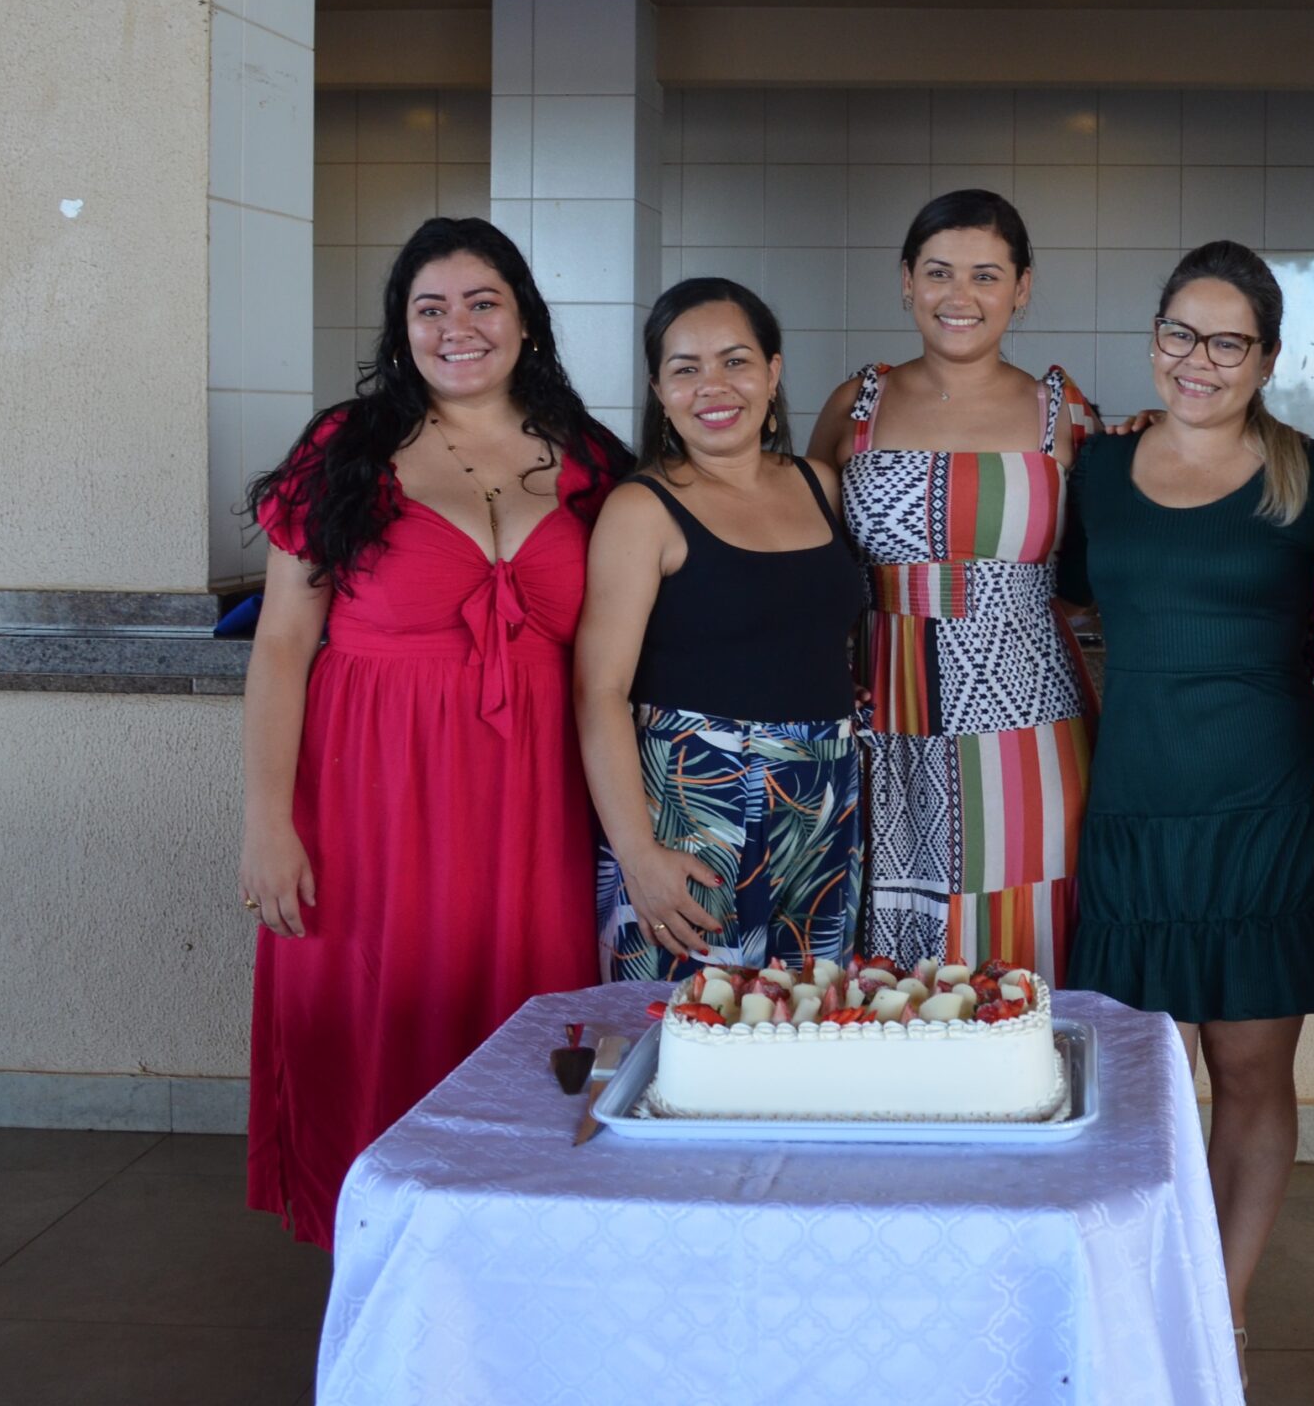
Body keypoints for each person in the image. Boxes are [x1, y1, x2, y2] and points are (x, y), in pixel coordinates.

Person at [238, 215, 631, 1247]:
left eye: (482, 302)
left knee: (525, 1016)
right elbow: (281, 644)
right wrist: (267, 820)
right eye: (431, 308)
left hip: (534, 802)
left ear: (525, 320)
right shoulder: (345, 450)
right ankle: (380, 1260)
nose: (458, 327)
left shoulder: (590, 462)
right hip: (366, 797)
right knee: (378, 1016)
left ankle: (514, 1258)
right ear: (401, 328)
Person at [1059, 240, 1314, 1354]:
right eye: (1179, 334)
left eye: (1228, 342)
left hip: (1265, 812)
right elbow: (1068, 605)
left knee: (1248, 1071)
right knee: (1139, 1083)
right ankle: (1136, 1298)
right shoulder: (1096, 471)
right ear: (1154, 340)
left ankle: (1217, 1312)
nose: (1199, 359)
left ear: (1268, 358)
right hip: (1134, 808)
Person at [811, 190, 1099, 983]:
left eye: (986, 275)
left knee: (1025, 949)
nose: (959, 296)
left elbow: (1097, 570)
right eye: (938, 272)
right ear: (907, 279)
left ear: (1022, 288)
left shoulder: (1064, 412)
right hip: (882, 713)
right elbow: (807, 557)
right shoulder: (857, 404)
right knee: (888, 965)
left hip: (1028, 729)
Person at [580, 278, 871, 981]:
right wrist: (638, 856)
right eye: (686, 369)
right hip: (690, 808)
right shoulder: (642, 508)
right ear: (660, 390)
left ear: (772, 372)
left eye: (735, 361)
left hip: (824, 803)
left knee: (809, 1021)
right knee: (684, 1027)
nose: (713, 386)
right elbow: (599, 691)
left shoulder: (821, 484)